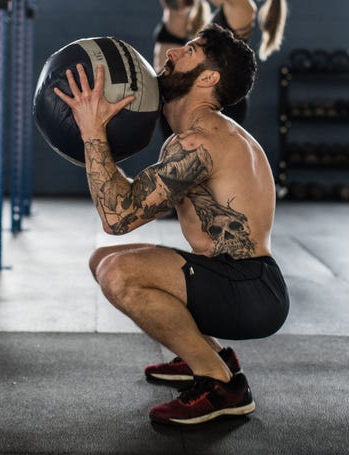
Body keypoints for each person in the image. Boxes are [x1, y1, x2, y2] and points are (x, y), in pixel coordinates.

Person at [52, 24, 289, 426]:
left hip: (249, 292)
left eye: (190, 51)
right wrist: (99, 140)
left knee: (119, 273)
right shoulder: (195, 138)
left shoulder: (202, 141)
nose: (171, 54)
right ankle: (211, 353)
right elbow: (136, 204)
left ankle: (221, 386)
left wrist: (92, 132)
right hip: (245, 282)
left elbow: (116, 217)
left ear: (209, 78)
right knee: (103, 258)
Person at [140, 0, 210, 140]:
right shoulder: (182, 11)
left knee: (175, 140)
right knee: (174, 140)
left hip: (170, 87)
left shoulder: (178, 9)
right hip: (168, 86)